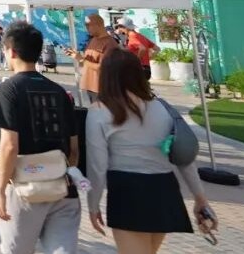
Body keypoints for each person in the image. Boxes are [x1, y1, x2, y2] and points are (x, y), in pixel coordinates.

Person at [87, 51, 217, 253]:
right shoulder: (162, 108)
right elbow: (184, 157)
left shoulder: (99, 111)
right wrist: (200, 199)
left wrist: (93, 205)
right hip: (164, 189)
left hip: (127, 192)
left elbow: (97, 166)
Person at [0, 21, 81, 254]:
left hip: (25, 187)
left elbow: (9, 145)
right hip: (63, 188)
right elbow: (74, 149)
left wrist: (0, 188)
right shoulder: (59, 91)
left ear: (11, 51)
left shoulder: (9, 89)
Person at [66, 14, 119, 104]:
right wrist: (77, 56)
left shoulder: (110, 43)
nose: (86, 28)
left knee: (102, 111)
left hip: (101, 88)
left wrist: (81, 59)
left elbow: (104, 67)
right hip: (90, 86)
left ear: (98, 25)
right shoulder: (93, 40)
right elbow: (87, 62)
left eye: (88, 25)